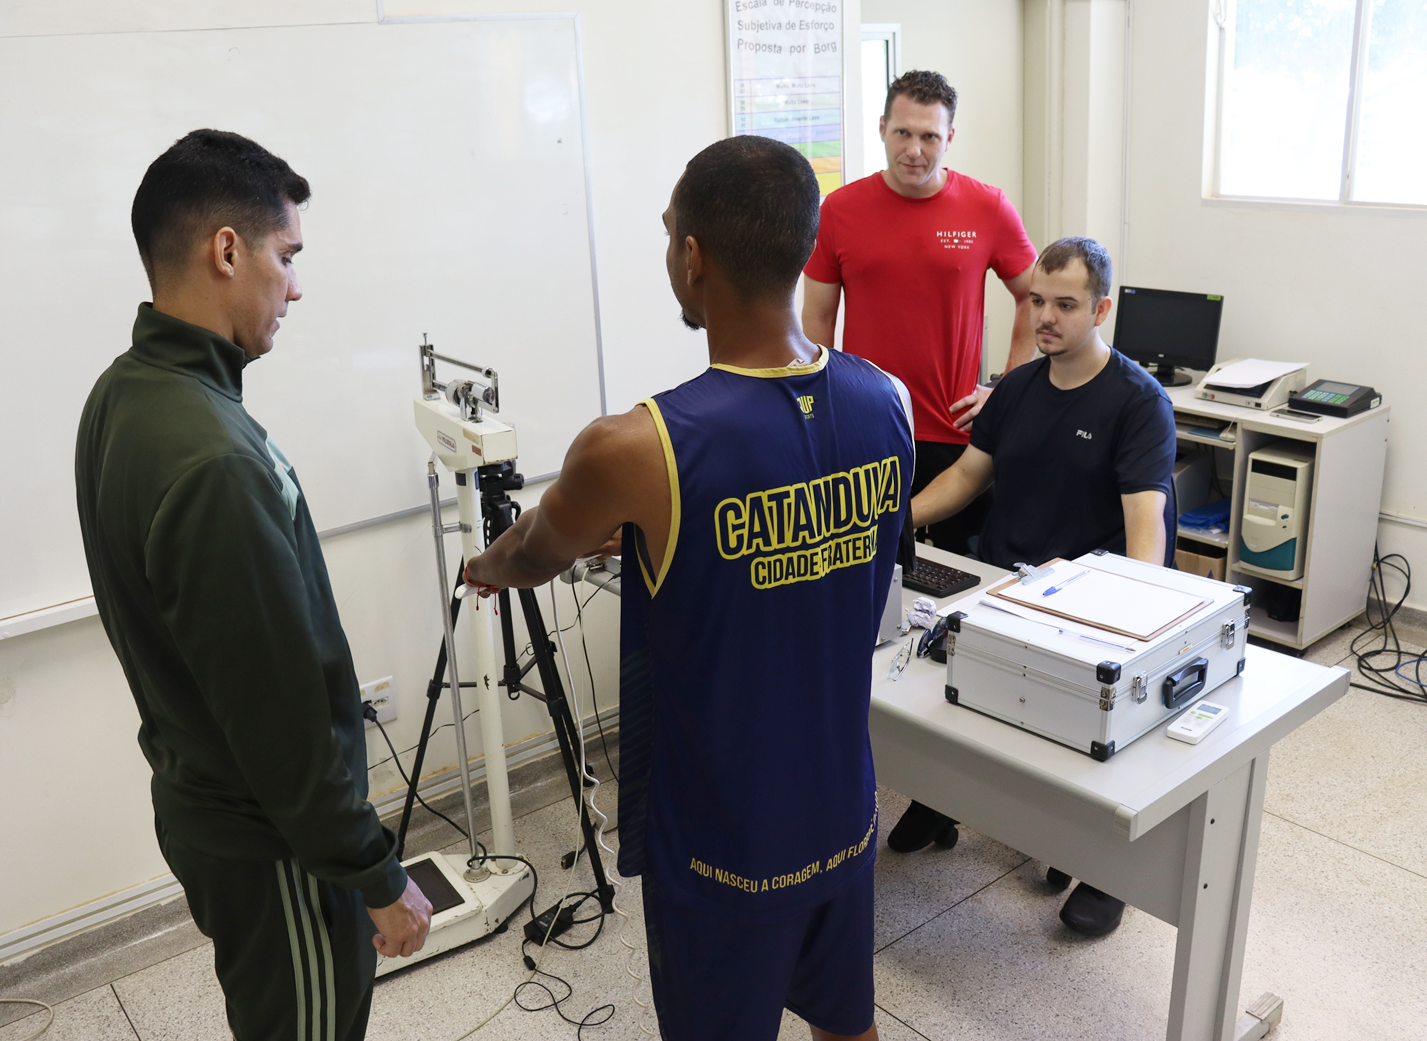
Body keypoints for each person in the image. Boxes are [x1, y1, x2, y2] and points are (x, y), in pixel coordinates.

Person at [465, 136, 914, 1041]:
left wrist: (484, 565)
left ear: (694, 256)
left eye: (671, 232)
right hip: (840, 805)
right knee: (847, 1024)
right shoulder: (888, 398)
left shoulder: (636, 446)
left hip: (722, 841)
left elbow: (533, 552)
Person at [75, 129, 432, 1041]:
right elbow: (279, 718)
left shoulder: (124, 393)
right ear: (226, 251)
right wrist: (376, 876)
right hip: (279, 852)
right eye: (288, 255)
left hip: (210, 807)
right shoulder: (212, 458)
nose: (297, 285)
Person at [909, 235, 1177, 937]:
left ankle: (1108, 869)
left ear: (1101, 310)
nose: (1045, 317)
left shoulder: (1137, 403)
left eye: (1065, 304)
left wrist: (1134, 627)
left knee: (1090, 741)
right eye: (1037, 301)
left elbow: (1145, 525)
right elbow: (969, 476)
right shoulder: (1019, 386)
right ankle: (941, 796)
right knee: (943, 697)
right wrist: (893, 519)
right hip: (1001, 581)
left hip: (1085, 602)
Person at [802, 69, 1038, 556]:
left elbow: (1034, 296)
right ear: (882, 127)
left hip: (957, 432)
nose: (914, 149)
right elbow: (817, 322)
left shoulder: (987, 207)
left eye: (930, 136)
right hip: (866, 426)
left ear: (949, 137)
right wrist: (818, 410)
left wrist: (1005, 391)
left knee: (964, 580)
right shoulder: (839, 211)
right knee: (866, 567)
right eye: (902, 133)